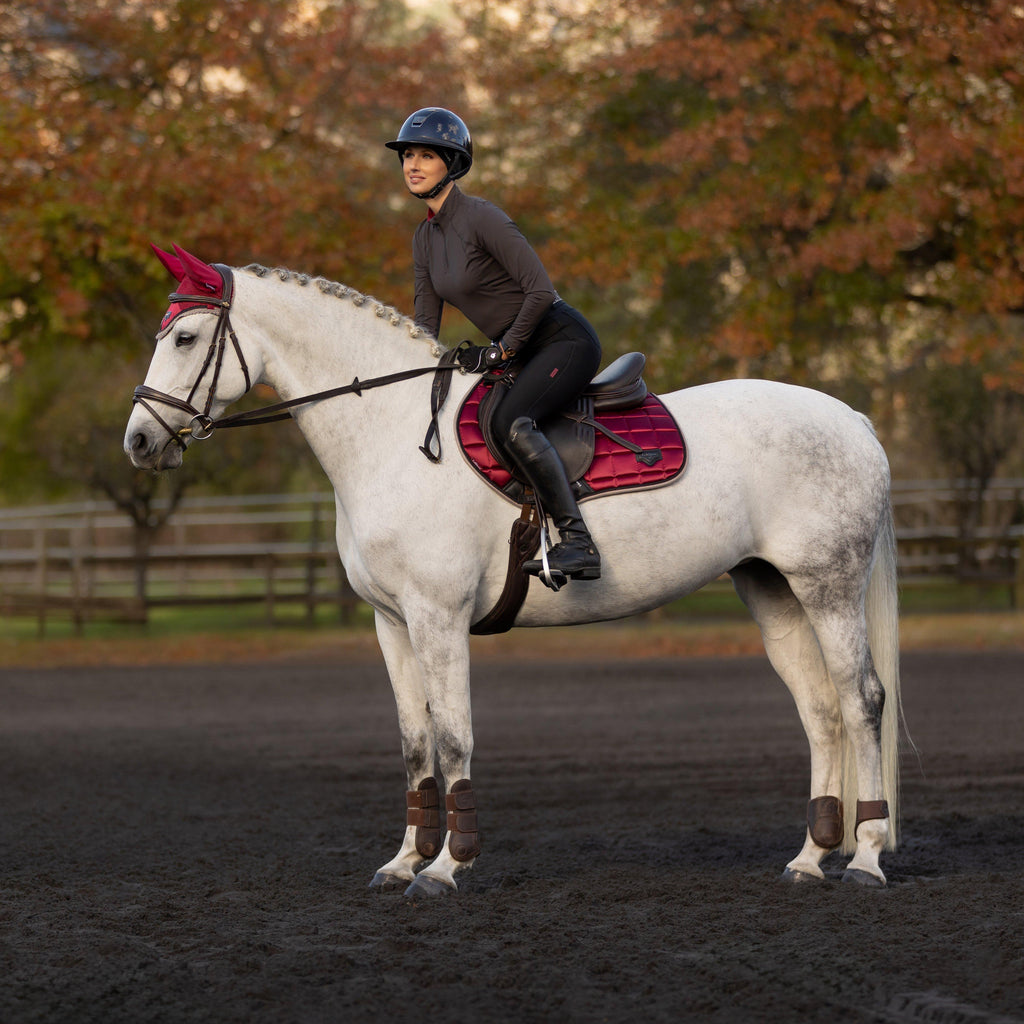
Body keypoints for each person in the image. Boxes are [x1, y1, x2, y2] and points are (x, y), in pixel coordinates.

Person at [385, 107, 603, 585]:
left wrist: (501, 350)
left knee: (510, 421)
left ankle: (577, 544)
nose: (413, 165)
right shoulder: (424, 238)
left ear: (453, 163)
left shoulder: (483, 218)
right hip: (522, 350)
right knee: (475, 415)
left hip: (561, 340)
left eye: (426, 155)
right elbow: (424, 324)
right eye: (407, 156)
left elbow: (540, 292)